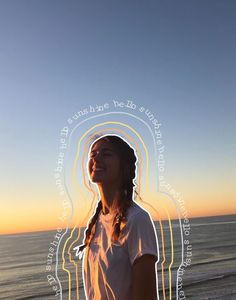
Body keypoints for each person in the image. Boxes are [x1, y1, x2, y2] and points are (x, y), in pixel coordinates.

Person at [77, 134, 158, 300]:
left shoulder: (137, 220)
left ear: (124, 166)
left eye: (106, 154)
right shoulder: (96, 222)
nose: (96, 158)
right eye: (93, 154)